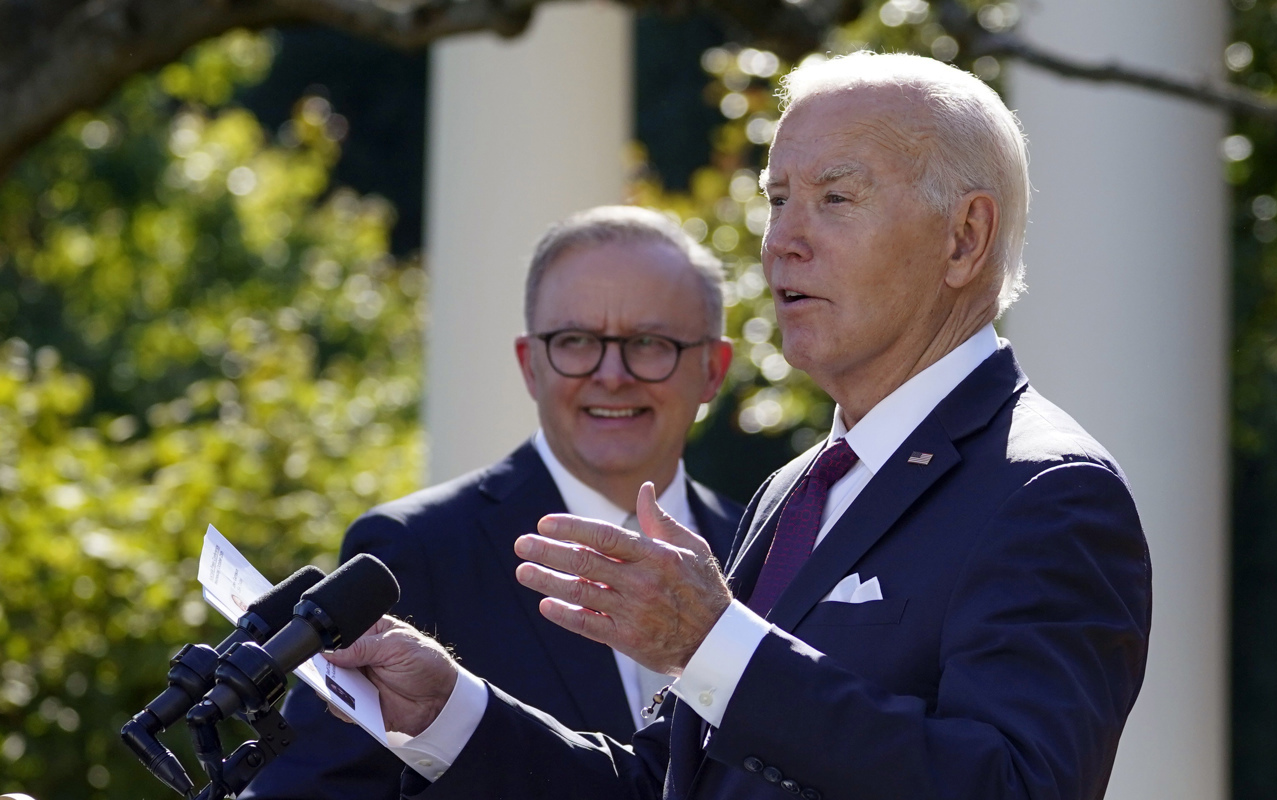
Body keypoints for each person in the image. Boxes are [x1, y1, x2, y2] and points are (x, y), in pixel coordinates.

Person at [325, 52, 1152, 800]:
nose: (783, 242)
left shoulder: (1047, 492)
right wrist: (445, 709)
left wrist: (717, 645)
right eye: (778, 200)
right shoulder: (796, 489)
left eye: (835, 199)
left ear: (966, 238)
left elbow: (1014, 789)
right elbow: (669, 786)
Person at [240, 206, 743, 800]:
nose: (612, 375)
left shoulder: (764, 547)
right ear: (530, 365)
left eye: (649, 343)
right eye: (576, 341)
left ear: (713, 369)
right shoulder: (416, 551)